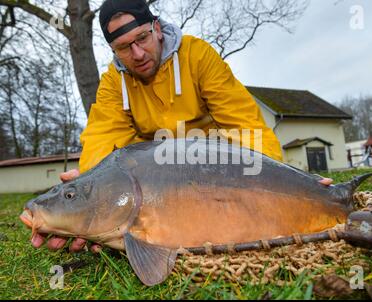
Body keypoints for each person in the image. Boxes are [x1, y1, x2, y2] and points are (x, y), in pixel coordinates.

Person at [31, 0, 333, 252]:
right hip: (156, 176)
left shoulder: (198, 56)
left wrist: (283, 182)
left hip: (216, 166)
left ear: (157, 29)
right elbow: (103, 136)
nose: (137, 55)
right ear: (114, 51)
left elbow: (244, 124)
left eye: (142, 39)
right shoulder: (114, 83)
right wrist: (88, 193)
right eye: (124, 48)